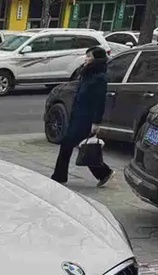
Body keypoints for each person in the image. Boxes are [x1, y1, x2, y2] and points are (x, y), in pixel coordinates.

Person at [51, 47, 114, 187]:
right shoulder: (87, 73)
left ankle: (59, 176)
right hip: (78, 116)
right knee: (84, 146)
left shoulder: (99, 78)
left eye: (89, 56)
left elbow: (99, 101)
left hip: (86, 118)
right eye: (86, 56)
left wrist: (96, 122)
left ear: (96, 59)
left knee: (67, 145)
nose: (86, 58)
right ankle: (103, 172)